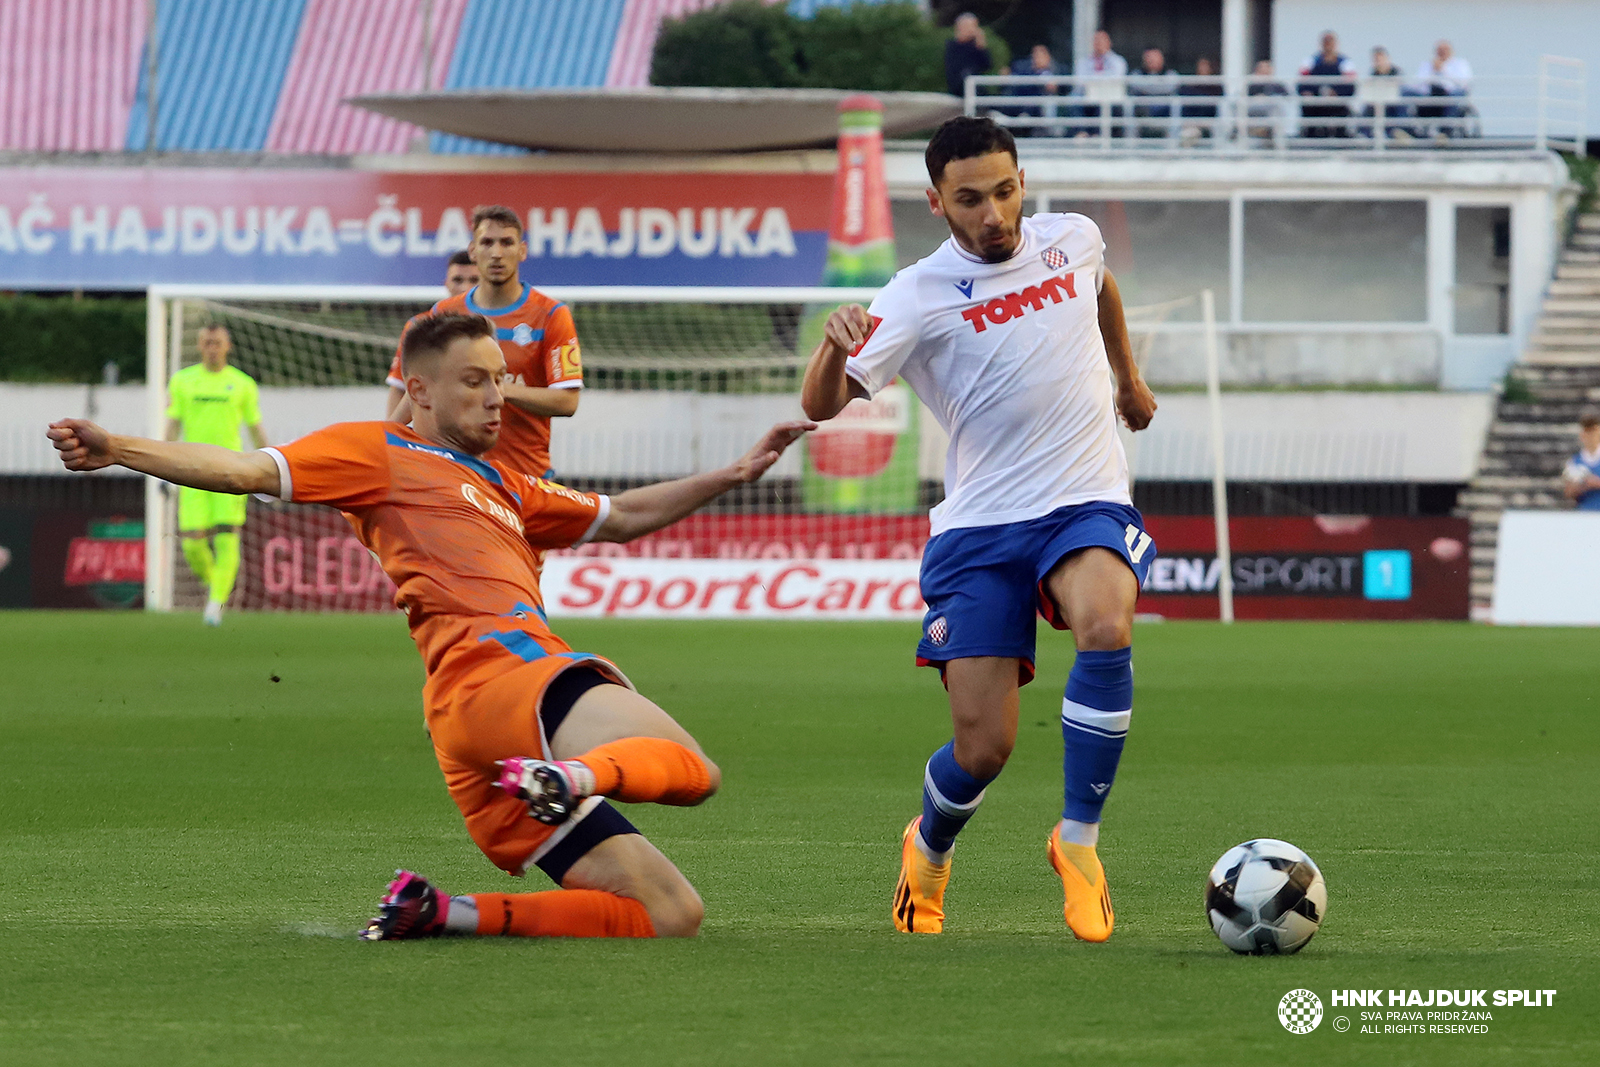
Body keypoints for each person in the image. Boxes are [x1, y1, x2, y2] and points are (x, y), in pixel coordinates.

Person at [50, 311, 814, 941]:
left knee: (670, 912)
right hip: (502, 678)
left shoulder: (505, 483)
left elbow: (622, 516)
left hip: (471, 732)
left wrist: (733, 474)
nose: (496, 398)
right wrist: (119, 448)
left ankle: (442, 912)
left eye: (501, 381)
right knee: (694, 769)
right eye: (475, 382)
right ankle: (567, 778)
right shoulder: (379, 452)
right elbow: (248, 469)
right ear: (417, 388)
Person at [800, 116, 1158, 942]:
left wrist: (1128, 382)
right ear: (937, 202)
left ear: (1021, 181)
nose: (993, 213)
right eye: (970, 199)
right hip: (979, 527)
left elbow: (1098, 285)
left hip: (1084, 496)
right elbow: (822, 406)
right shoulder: (915, 294)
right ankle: (927, 846)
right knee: (984, 747)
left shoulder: (1075, 237)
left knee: (1106, 623)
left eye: (1004, 190)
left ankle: (1078, 841)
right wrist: (830, 345)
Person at [385, 207, 579, 481]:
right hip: (455, 477)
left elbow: (567, 401)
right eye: (487, 242)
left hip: (524, 478)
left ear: (522, 251)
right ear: (473, 250)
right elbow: (417, 388)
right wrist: (385, 440)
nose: (497, 253)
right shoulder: (444, 312)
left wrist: (497, 388)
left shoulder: (551, 315)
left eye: (507, 242)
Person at [164, 323, 266, 626]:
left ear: (227, 346)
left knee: (226, 538)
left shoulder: (243, 384)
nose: (212, 347)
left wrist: (272, 464)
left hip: (229, 470)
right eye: (207, 342)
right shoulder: (182, 381)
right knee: (192, 544)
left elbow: (255, 428)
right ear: (199, 345)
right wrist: (162, 467)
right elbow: (172, 425)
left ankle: (215, 604)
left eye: (217, 342)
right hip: (192, 471)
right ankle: (216, 588)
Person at [385, 249, 478, 421]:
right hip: (436, 435)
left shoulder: (493, 326)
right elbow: (399, 386)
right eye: (458, 280)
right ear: (446, 283)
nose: (465, 287)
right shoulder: (419, 326)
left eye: (474, 280)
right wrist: (390, 435)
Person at [1410, 40, 1473, 139]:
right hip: (1431, 95)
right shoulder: (1427, 65)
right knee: (1407, 92)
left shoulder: (1460, 64)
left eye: (1445, 50)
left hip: (1451, 95)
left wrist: (1443, 69)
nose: (1442, 52)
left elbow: (1463, 83)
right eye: (1439, 50)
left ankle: (1445, 131)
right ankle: (1406, 129)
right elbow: (1418, 84)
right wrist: (1433, 71)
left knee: (1454, 96)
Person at [1298, 31, 1356, 138]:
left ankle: (1340, 138)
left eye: (1331, 42)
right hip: (1316, 103)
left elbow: (1351, 85)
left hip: (1337, 104)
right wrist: (1309, 93)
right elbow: (1302, 82)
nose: (1328, 45)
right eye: (1326, 42)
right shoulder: (1310, 61)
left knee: (1341, 116)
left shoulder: (1345, 63)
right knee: (1308, 112)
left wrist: (1337, 93)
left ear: (1336, 44)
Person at [1072, 30, 1128, 137]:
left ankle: (1097, 135)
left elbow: (1115, 80)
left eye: (1102, 40)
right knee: (1074, 99)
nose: (1099, 43)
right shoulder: (1083, 62)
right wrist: (1100, 79)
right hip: (1087, 97)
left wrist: (1093, 80)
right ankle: (1081, 133)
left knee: (1105, 103)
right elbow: (1079, 81)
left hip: (1108, 98)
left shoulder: (1118, 61)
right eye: (1096, 40)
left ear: (1109, 43)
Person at [1008, 44, 1063, 136]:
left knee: (1048, 101)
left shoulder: (1056, 70)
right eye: (1035, 56)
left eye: (1041, 55)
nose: (1038, 59)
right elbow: (1022, 87)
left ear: (1047, 57)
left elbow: (1063, 87)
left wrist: (1054, 86)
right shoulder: (1027, 71)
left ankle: (1050, 130)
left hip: (1049, 101)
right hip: (1032, 103)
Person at [1128, 47, 1176, 139]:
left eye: (1155, 57)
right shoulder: (1136, 73)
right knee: (1129, 108)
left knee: (1175, 107)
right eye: (1149, 57)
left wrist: (1147, 86)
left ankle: (1171, 149)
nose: (1152, 60)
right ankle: (1130, 148)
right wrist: (1159, 84)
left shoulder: (1171, 73)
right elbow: (1136, 84)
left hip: (1164, 111)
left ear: (1162, 59)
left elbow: (1169, 87)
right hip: (1142, 111)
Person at [944, 13, 991, 98]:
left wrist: (981, 46)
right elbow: (953, 69)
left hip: (976, 84)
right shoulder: (952, 46)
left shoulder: (976, 46)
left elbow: (987, 66)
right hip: (959, 85)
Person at [1178, 56, 1224, 141]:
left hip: (1209, 120)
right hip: (1192, 120)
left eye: (1205, 66)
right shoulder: (1191, 86)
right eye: (1201, 66)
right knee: (1187, 134)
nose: (1203, 68)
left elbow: (1213, 108)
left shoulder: (1216, 86)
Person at [1562, 410, 1600, 511]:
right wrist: (1579, 487)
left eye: (1593, 430)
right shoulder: (1574, 462)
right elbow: (1568, 493)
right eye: (1587, 431)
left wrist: (1596, 483)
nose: (1590, 435)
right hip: (1585, 514)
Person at [1246, 59, 1289, 140]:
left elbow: (1286, 94)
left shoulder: (1275, 83)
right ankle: (1236, 131)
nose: (1266, 69)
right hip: (1253, 108)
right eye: (1263, 67)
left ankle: (1275, 136)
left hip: (1270, 108)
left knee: (1276, 106)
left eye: (1268, 67)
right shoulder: (1251, 81)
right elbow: (1246, 94)